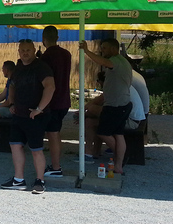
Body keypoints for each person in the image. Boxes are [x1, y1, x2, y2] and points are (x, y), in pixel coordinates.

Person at [1, 39, 54, 194]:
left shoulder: (41, 67)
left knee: (36, 149)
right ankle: (18, 180)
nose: (25, 53)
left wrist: (39, 109)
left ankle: (40, 181)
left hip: (36, 116)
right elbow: (11, 85)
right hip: (19, 114)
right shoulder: (17, 69)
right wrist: (11, 104)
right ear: (18, 51)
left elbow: (50, 87)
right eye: (22, 50)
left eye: (28, 50)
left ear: (33, 50)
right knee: (15, 145)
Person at [80, 38, 132, 175]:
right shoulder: (121, 61)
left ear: (114, 49)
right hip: (122, 104)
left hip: (115, 106)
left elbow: (103, 62)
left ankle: (122, 156)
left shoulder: (116, 61)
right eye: (101, 48)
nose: (102, 51)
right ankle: (118, 166)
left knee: (103, 132)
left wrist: (86, 51)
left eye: (105, 48)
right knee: (118, 134)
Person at [40, 26, 72, 178]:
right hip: (64, 100)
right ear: (57, 37)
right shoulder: (67, 54)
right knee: (55, 133)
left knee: (52, 135)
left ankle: (56, 166)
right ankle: (55, 164)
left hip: (52, 102)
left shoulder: (46, 58)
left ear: (43, 39)